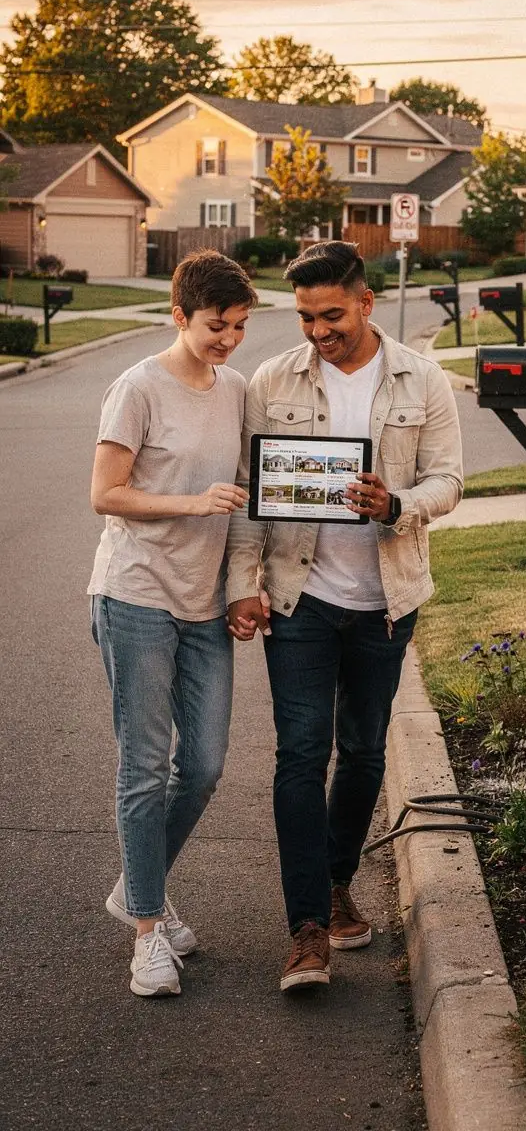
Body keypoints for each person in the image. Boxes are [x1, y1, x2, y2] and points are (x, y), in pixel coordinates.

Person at [226, 240, 463, 993]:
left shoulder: (421, 378)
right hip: (301, 598)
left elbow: (449, 480)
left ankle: (334, 882)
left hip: (386, 602)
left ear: (365, 302)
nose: (318, 332)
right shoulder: (274, 378)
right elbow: (249, 485)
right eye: (305, 317)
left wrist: (398, 505)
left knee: (362, 754)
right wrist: (242, 582)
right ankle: (305, 930)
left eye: (332, 315)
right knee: (301, 753)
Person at [89, 250, 257, 996]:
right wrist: (192, 504)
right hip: (135, 594)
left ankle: (136, 888)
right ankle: (149, 935)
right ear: (180, 315)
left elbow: (253, 491)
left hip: (205, 600)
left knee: (208, 764)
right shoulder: (138, 387)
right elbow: (106, 493)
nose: (228, 339)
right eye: (217, 325)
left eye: (241, 327)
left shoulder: (238, 391)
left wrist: (244, 586)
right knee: (145, 764)